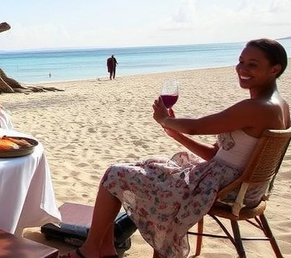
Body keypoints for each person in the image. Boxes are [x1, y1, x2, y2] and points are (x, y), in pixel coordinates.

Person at [63, 39, 290, 258]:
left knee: (115, 173)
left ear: (274, 69)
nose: (242, 68)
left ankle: (92, 249)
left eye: (253, 64)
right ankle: (105, 249)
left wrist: (165, 120)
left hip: (226, 189)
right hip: (243, 187)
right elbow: (217, 155)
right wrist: (175, 134)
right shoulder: (280, 106)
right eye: (241, 61)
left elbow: (197, 126)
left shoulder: (257, 107)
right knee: (145, 166)